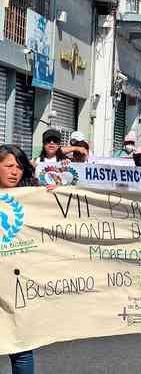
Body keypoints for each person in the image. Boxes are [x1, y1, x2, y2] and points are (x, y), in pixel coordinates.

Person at [0, 144, 36, 373]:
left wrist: (55, 196)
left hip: (17, 282)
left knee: (21, 347)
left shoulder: (35, 199)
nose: (14, 171)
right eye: (9, 166)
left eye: (19, 167)